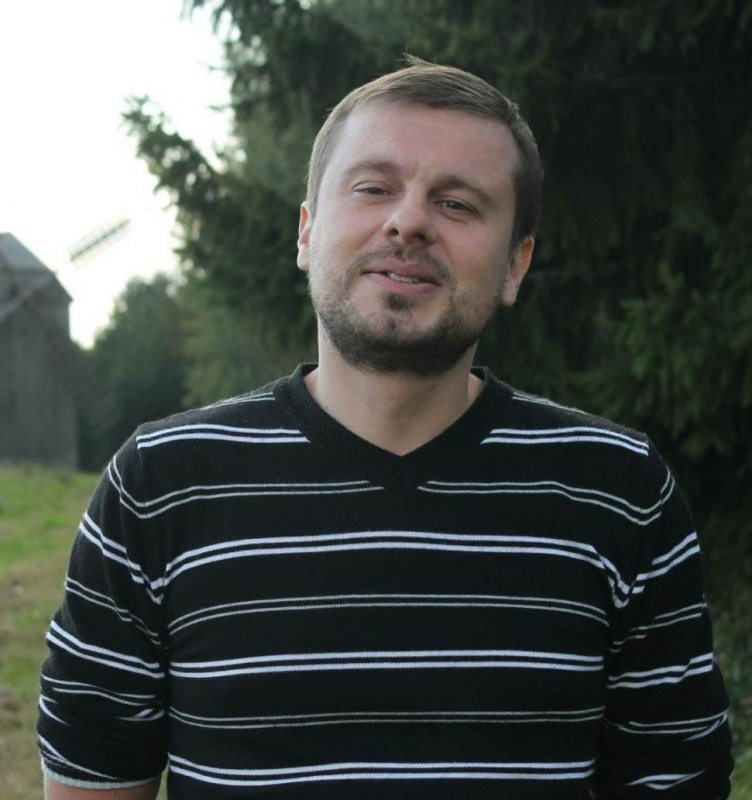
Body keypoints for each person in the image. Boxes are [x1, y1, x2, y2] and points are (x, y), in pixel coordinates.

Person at [38, 57, 733, 799]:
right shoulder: (161, 484)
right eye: (373, 188)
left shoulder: (619, 492)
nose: (408, 221)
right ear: (307, 232)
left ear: (514, 265)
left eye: (457, 203)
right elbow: (94, 778)